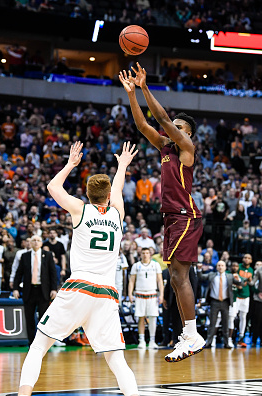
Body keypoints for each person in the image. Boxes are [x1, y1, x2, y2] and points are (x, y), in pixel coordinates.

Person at [16, 141, 139, 396]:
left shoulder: (80, 209)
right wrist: (122, 165)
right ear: (107, 197)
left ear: (86, 193)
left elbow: (52, 187)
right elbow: (116, 190)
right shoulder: (118, 214)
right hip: (106, 293)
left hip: (79, 287)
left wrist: (71, 164)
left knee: (38, 346)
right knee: (116, 360)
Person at [120, 64, 205, 362]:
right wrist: (132, 95)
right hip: (171, 216)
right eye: (174, 128)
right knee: (175, 277)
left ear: (188, 133)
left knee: (180, 276)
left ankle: (192, 335)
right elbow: (144, 126)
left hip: (185, 215)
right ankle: (189, 333)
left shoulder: (186, 148)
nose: (172, 130)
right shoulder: (165, 149)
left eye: (179, 128)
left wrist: (144, 87)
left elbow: (162, 119)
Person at [13, 235, 56, 345]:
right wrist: (16, 289)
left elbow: (53, 274)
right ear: (30, 243)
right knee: (29, 319)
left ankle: (42, 343)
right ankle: (32, 343)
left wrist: (54, 289)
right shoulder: (25, 256)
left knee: (43, 318)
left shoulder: (48, 255)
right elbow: (19, 274)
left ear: (41, 243)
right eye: (34, 240)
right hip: (29, 291)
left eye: (38, 240)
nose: (36, 242)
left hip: (43, 291)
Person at [128, 247, 164, 349]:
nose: (145, 255)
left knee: (153, 318)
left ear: (150, 254)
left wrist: (161, 294)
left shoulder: (155, 265)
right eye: (143, 253)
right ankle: (142, 340)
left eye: (147, 253)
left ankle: (152, 340)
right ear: (141, 254)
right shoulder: (136, 265)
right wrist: (130, 294)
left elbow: (160, 281)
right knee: (141, 317)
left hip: (152, 294)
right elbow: (131, 281)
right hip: (139, 294)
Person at [201, 260, 239, 348]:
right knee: (212, 323)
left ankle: (226, 343)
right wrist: (199, 270)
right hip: (214, 301)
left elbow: (240, 283)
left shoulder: (229, 276)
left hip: (225, 302)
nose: (220, 267)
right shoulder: (212, 275)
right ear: (216, 267)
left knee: (225, 323)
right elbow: (201, 277)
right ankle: (209, 342)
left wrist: (239, 278)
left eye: (222, 265)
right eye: (219, 265)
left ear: (225, 267)